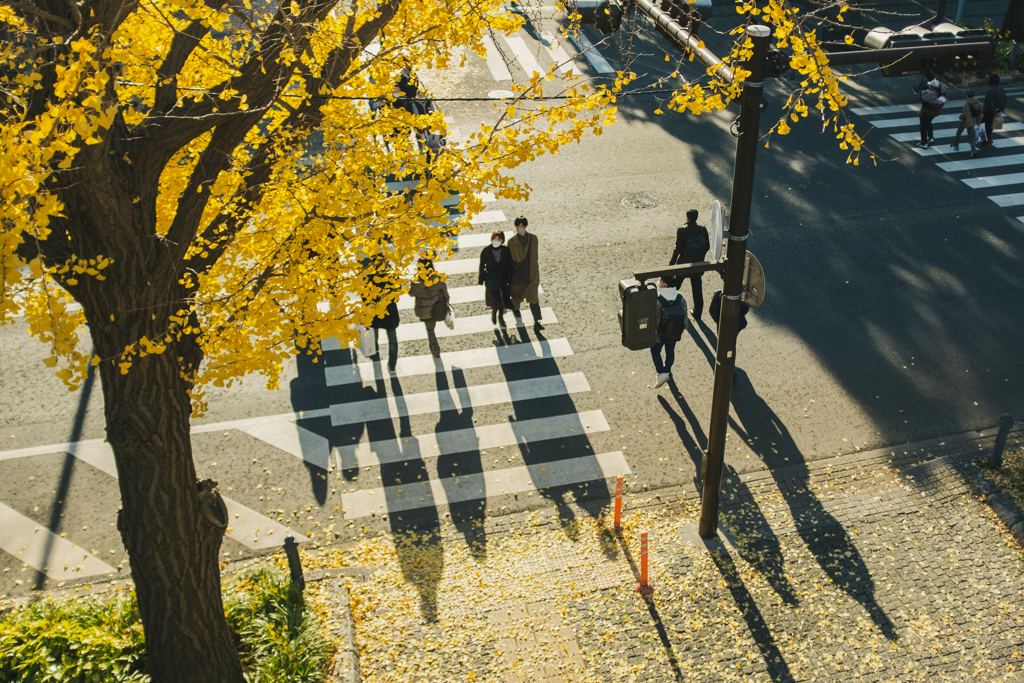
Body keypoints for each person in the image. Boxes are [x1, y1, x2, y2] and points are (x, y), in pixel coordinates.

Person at [669, 209, 710, 321]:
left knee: (674, 286)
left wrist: (671, 265)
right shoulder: (703, 230)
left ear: (687, 218)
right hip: (697, 265)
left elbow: (677, 250)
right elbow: (707, 247)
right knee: (697, 289)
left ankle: (671, 308)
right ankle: (698, 313)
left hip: (683, 265)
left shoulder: (682, 231)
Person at [408, 258, 448, 357]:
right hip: (437, 308)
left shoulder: (416, 281)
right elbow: (445, 293)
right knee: (432, 328)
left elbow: (411, 294)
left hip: (424, 310)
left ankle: (435, 350)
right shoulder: (437, 278)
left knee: (430, 331)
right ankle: (434, 349)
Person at [367, 259, 401, 373]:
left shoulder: (368, 279)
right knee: (392, 339)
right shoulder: (391, 277)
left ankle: (375, 350)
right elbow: (398, 291)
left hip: (374, 313)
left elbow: (364, 298)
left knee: (374, 333)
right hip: (390, 313)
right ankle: (392, 366)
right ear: (385, 263)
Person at [651, 278, 685, 389]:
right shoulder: (680, 298)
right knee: (670, 351)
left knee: (655, 351)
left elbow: (653, 318)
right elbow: (685, 319)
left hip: (658, 334)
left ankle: (661, 373)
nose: (658, 283)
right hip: (674, 332)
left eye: (660, 282)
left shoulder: (657, 300)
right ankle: (668, 370)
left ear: (664, 285)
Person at [509, 216, 542, 328]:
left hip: (531, 274)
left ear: (526, 226)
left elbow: (534, 257)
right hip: (517, 275)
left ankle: (537, 321)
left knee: (533, 298)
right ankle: (517, 314)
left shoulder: (533, 239)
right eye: (518, 227)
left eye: (522, 227)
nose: (520, 229)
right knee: (516, 298)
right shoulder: (511, 242)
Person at [478, 229, 513, 327]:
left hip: (503, 279)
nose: (497, 241)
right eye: (495, 239)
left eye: (499, 239)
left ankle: (501, 316)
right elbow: (481, 265)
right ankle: (494, 312)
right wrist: (482, 278)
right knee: (493, 299)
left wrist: (509, 279)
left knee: (503, 298)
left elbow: (510, 265)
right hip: (491, 279)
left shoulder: (505, 250)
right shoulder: (486, 251)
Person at [952, 88, 984, 158]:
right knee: (971, 136)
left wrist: (960, 116)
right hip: (974, 121)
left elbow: (964, 114)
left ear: (967, 95)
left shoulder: (967, 104)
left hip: (966, 121)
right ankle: (973, 149)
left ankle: (956, 145)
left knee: (959, 131)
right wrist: (978, 122)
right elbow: (980, 113)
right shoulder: (978, 102)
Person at [917, 80, 942, 149]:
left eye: (930, 86)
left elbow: (924, 98)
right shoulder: (938, 92)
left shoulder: (932, 93)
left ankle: (924, 143)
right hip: (933, 112)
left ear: (933, 87)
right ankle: (931, 138)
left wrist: (924, 91)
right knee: (928, 124)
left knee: (923, 127)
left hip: (927, 111)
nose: (929, 86)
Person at [983, 74, 1007, 145]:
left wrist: (994, 112)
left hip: (989, 111)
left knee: (984, 125)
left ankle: (987, 140)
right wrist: (1001, 111)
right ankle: (987, 139)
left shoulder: (990, 91)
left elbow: (989, 103)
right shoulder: (1002, 89)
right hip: (998, 110)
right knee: (991, 126)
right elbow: (1005, 100)